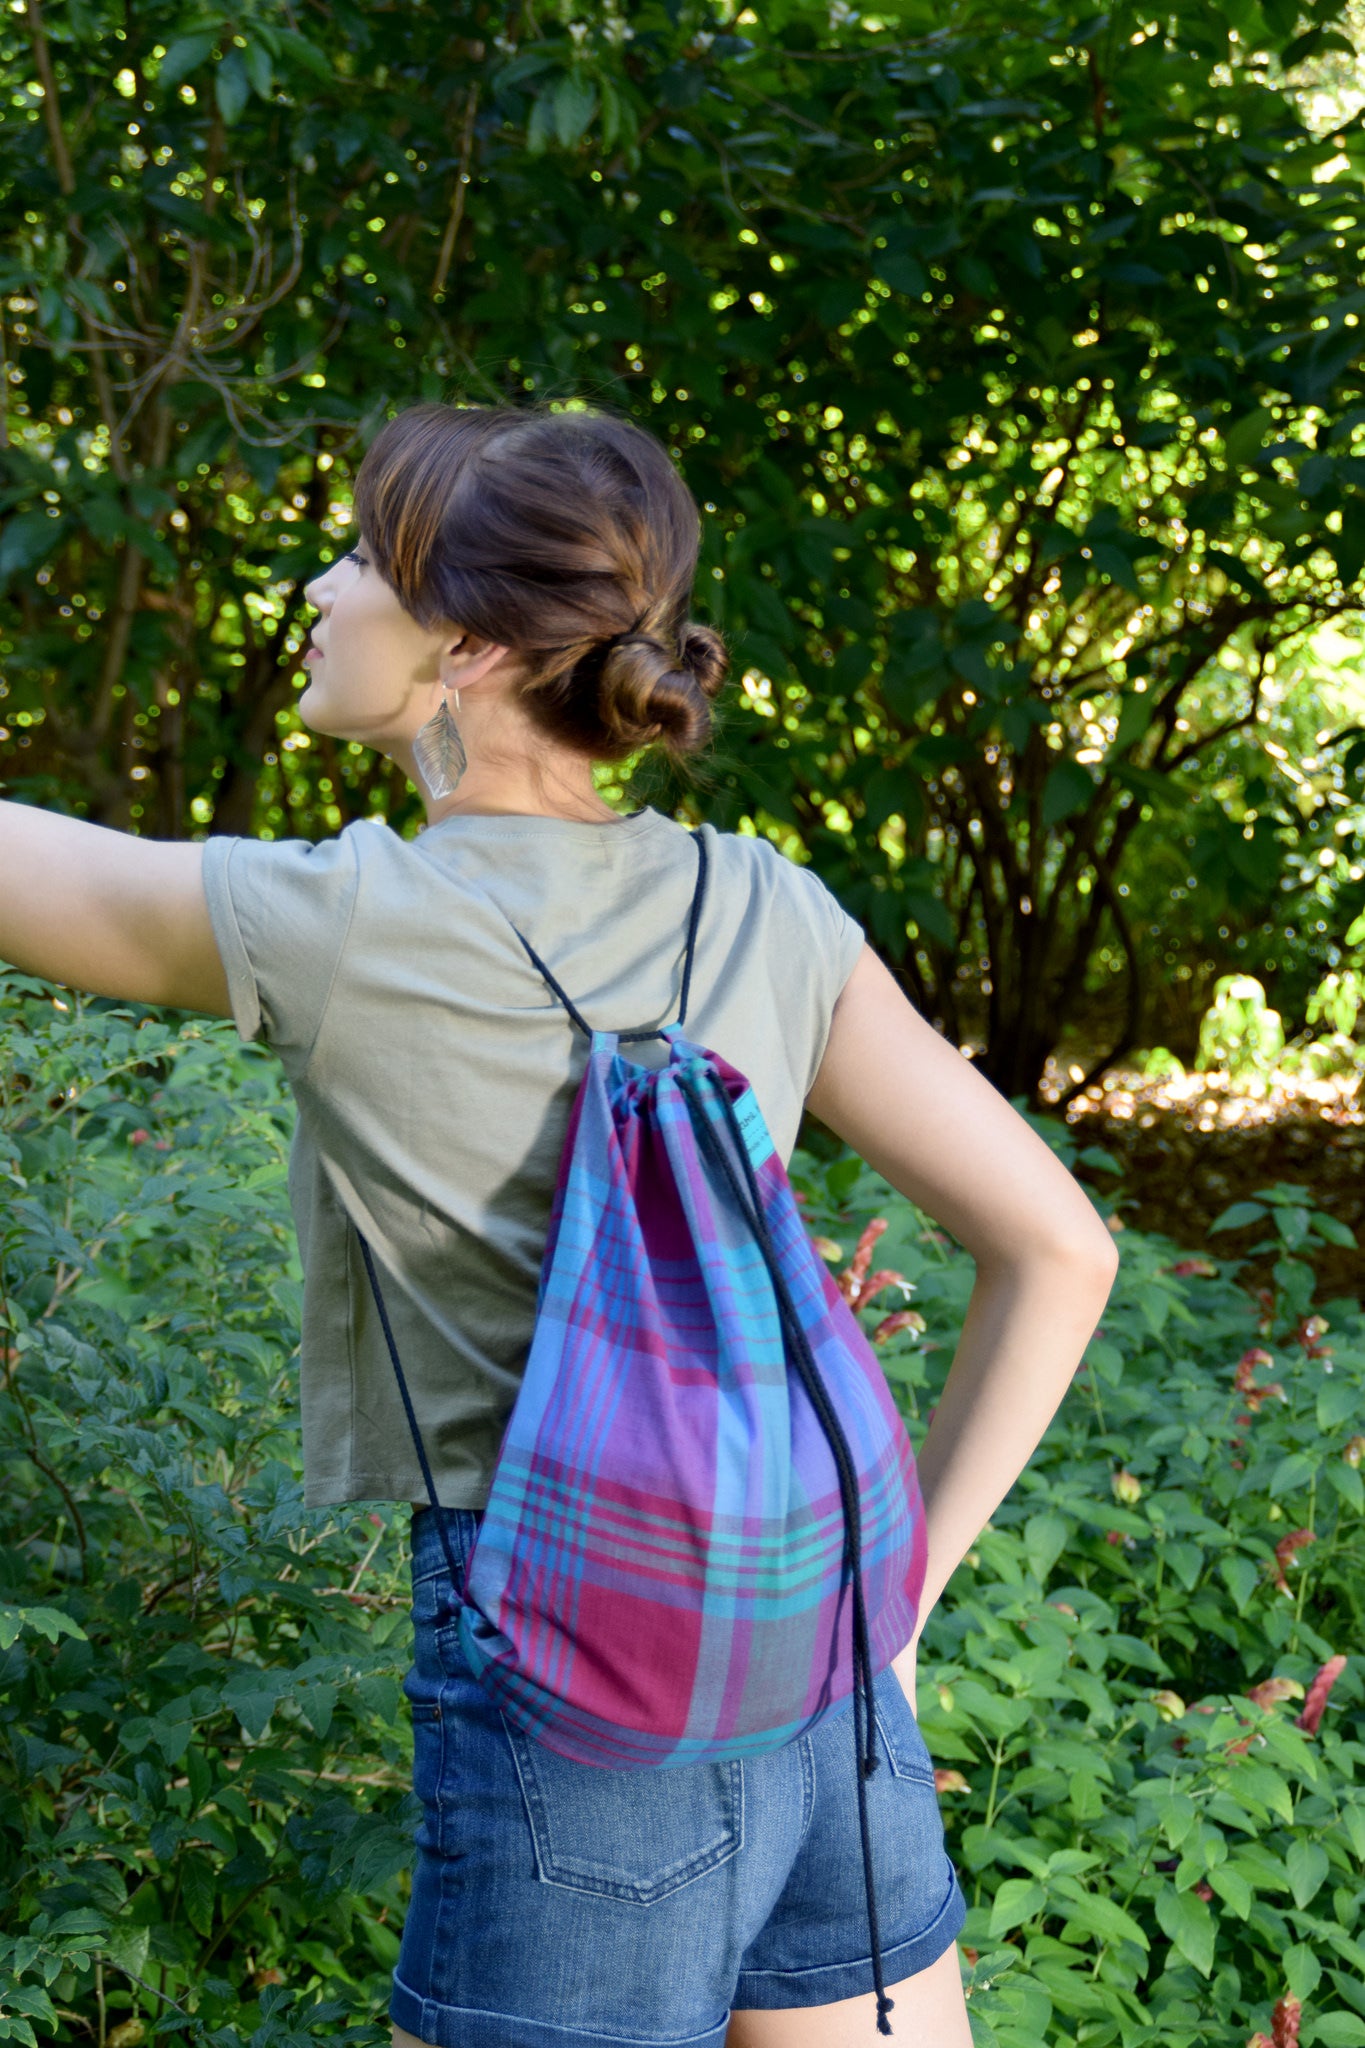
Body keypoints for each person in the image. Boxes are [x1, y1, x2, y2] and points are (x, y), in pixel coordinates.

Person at [0, 399, 1119, 2048]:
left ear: (458, 644)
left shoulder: (342, 920)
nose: (315, 588)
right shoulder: (766, 900)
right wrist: (896, 1605)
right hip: (814, 1646)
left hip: (575, 1669)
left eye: (357, 556)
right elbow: (1063, 1249)